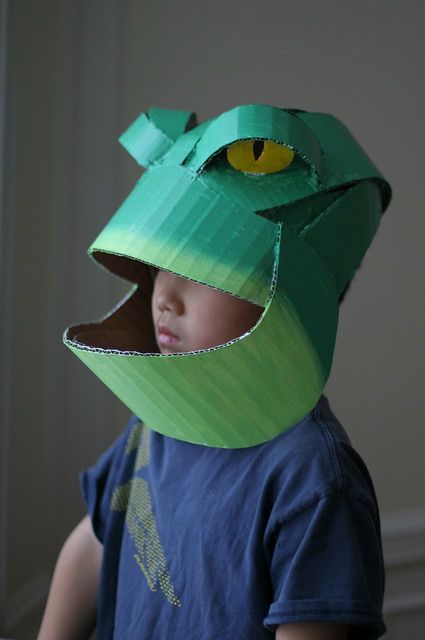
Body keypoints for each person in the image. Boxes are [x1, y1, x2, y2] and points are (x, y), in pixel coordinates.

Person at [39, 104, 390, 639]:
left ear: (291, 293)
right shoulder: (156, 419)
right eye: (161, 264)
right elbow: (92, 546)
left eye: (202, 269)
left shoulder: (314, 481)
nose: (165, 297)